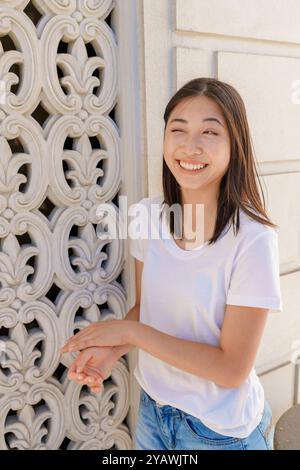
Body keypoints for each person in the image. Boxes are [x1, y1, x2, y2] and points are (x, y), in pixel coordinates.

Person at [60, 77, 282, 450]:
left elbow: (232, 369)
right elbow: (147, 309)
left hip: (219, 433)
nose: (190, 147)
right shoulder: (148, 216)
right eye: (178, 130)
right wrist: (110, 351)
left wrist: (129, 335)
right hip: (154, 413)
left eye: (210, 133)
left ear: (234, 146)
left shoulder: (253, 240)